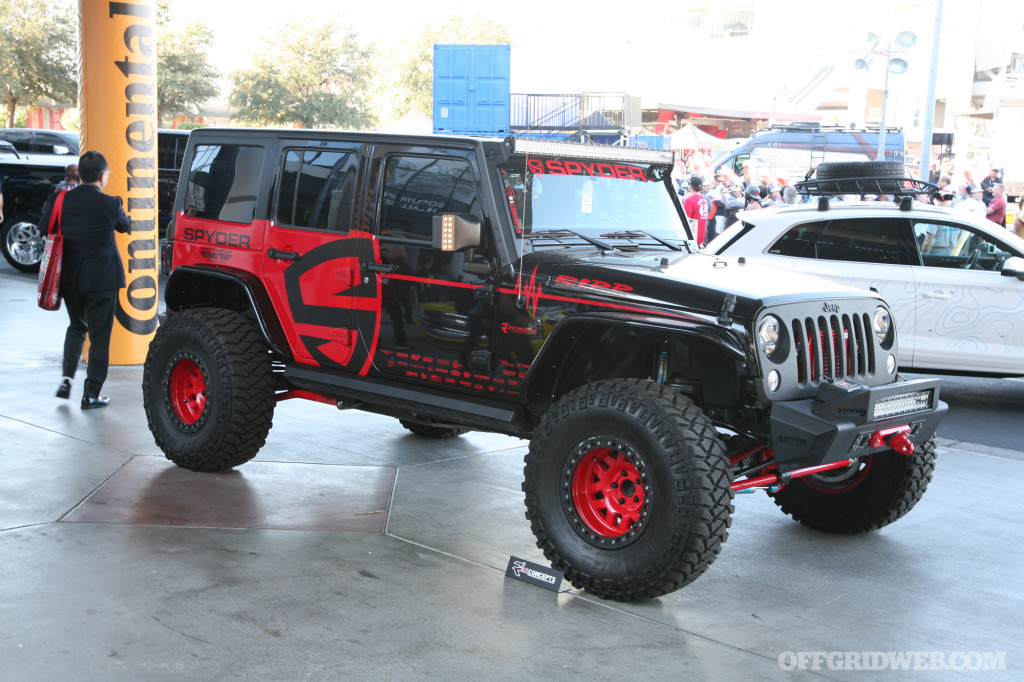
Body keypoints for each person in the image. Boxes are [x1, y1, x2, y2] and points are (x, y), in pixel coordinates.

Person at [40, 151, 130, 409]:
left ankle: (67, 378)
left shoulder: (61, 199)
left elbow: (45, 225)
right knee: (100, 337)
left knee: (77, 326)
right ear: (103, 176)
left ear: (80, 174)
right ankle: (91, 395)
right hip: (102, 280)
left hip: (70, 278)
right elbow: (126, 226)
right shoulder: (110, 204)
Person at [682, 175, 709, 245]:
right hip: (702, 236)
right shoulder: (704, 199)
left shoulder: (689, 201)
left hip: (692, 237)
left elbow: (685, 220)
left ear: (691, 186)